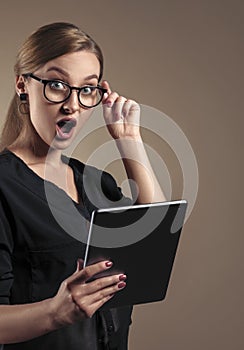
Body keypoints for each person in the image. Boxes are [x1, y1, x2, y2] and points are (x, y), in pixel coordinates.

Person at [0, 22, 165, 349]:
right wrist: (54, 313)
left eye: (87, 89)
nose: (72, 104)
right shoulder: (5, 186)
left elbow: (156, 240)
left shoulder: (97, 184)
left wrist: (129, 141)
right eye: (57, 84)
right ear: (23, 85)